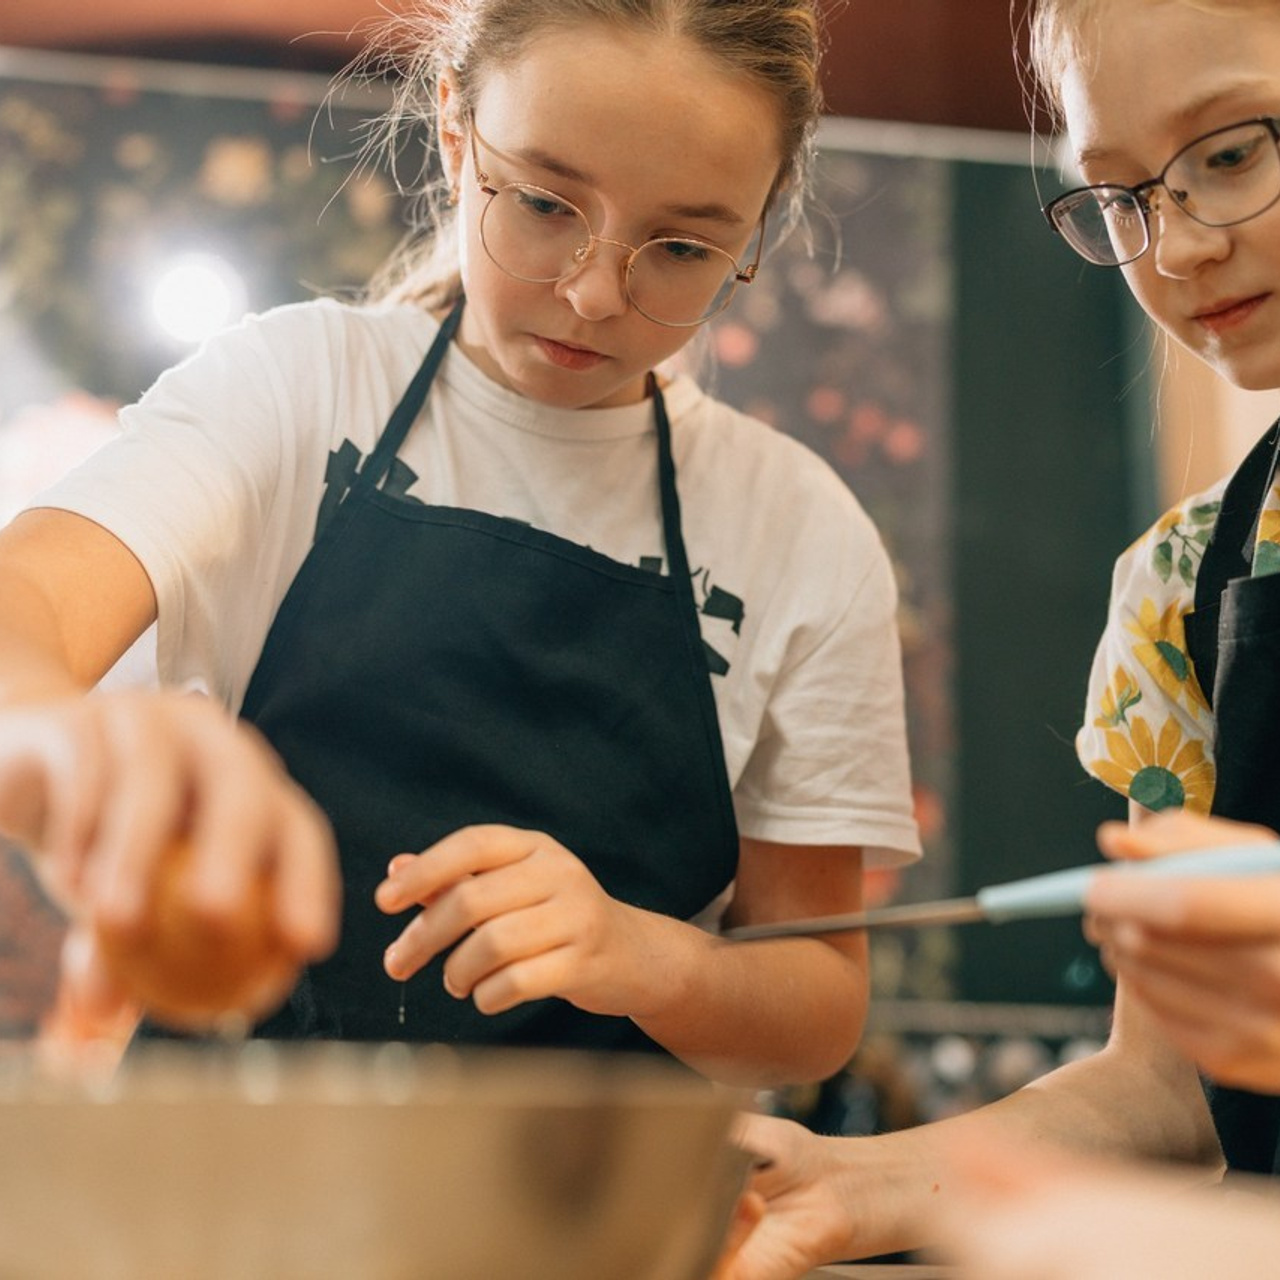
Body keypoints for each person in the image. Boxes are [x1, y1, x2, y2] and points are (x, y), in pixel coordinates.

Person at [0, 0, 921, 1084]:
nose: (590, 292)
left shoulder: (798, 530)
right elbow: (31, 604)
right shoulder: (297, 389)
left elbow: (813, 1001)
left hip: (583, 1230)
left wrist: (638, 954)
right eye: (540, 201)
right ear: (452, 129)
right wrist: (64, 741)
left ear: (756, 228)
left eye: (679, 246)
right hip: (227, 1195)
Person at [721, 0, 1280, 1272]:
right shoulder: (1181, 586)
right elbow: (1164, 1086)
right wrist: (868, 1179)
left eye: (1231, 156)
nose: (1176, 247)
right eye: (1122, 195)